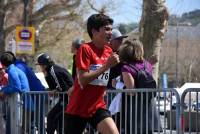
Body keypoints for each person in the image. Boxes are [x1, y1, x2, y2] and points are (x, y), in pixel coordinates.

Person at [65, 13, 120, 134]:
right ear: (94, 31)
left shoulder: (109, 51)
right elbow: (83, 79)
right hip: (78, 109)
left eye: (111, 29)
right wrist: (106, 66)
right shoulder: (85, 49)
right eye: (106, 29)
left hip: (97, 106)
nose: (110, 32)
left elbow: (103, 77)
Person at [118, 39, 161, 134]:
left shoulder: (126, 68)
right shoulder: (147, 65)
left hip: (135, 110)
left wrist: (117, 85)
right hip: (150, 107)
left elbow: (131, 91)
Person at [3, 51, 46, 134]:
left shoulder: (17, 67)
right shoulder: (17, 66)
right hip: (32, 94)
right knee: (31, 124)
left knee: (37, 122)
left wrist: (5, 90)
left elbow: (17, 85)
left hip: (37, 93)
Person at [36, 53, 73, 134]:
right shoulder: (50, 71)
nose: (40, 67)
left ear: (44, 65)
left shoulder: (54, 71)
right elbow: (54, 86)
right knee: (59, 121)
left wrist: (55, 91)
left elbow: (63, 88)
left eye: (40, 65)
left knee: (51, 117)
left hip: (67, 99)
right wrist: (46, 76)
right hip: (65, 99)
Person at [0, 52, 33, 134]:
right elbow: (13, 85)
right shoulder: (14, 69)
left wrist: (3, 90)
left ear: (3, 64)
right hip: (24, 103)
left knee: (23, 129)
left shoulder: (12, 71)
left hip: (24, 104)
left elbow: (16, 87)